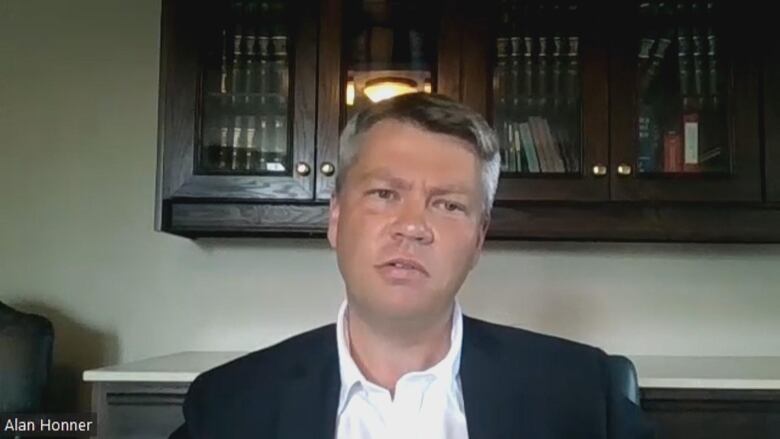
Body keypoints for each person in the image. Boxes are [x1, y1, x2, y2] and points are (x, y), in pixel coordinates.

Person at [169, 93, 655, 439]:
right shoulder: (229, 405)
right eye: (385, 195)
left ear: (479, 240)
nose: (412, 226)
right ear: (336, 219)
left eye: (447, 205)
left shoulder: (584, 395)